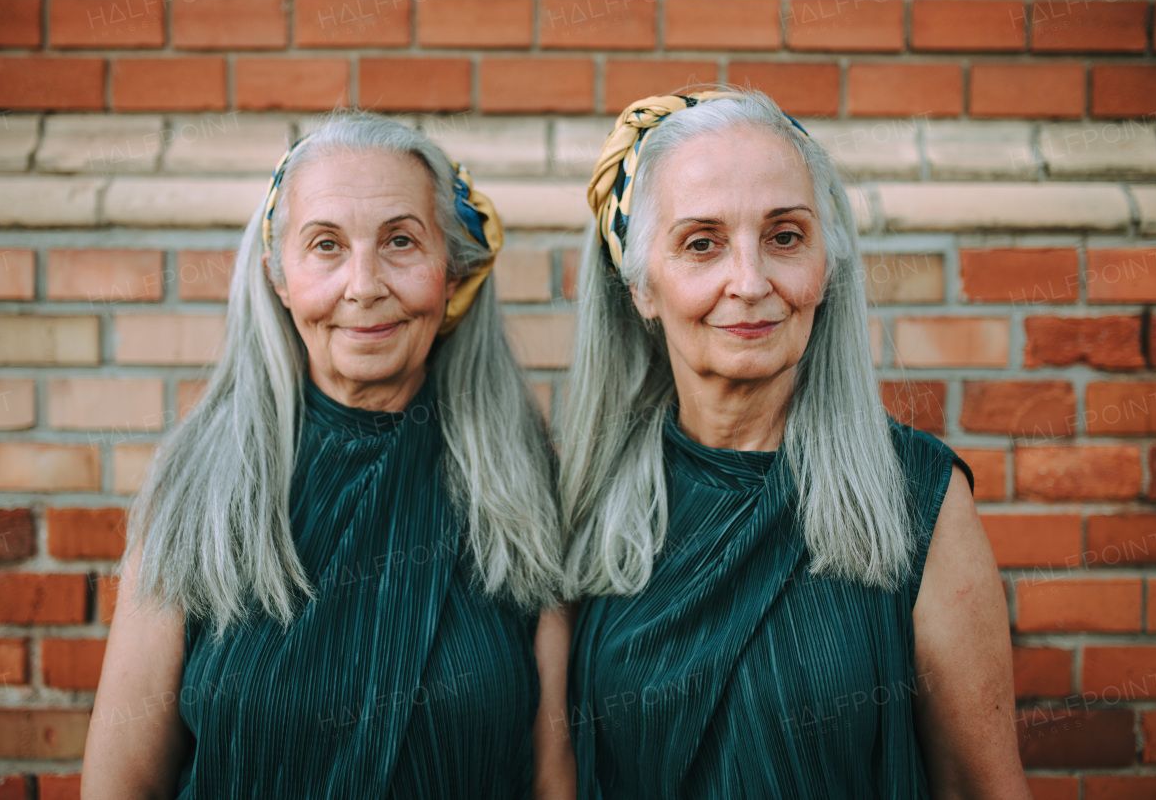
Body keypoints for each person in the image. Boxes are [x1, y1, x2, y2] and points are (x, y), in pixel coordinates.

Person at [82, 111, 574, 798]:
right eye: (325, 245)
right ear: (278, 275)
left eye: (401, 240)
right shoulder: (200, 487)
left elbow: (556, 781)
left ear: (450, 272)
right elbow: (121, 784)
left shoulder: (522, 489)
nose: (364, 284)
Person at [560, 89, 1031, 798]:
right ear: (641, 288)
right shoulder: (582, 502)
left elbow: (979, 785)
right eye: (701, 243)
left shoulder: (917, 496)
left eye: (785, 236)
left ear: (826, 267)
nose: (750, 283)